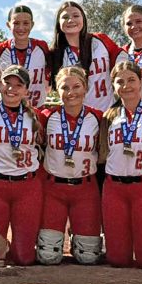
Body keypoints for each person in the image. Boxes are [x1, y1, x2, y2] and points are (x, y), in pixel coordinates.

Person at [98, 61, 142, 269]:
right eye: (120, 81)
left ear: (141, 82)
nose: (126, 86)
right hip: (115, 188)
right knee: (117, 260)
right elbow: (102, 156)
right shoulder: (108, 117)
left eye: (131, 80)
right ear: (113, 85)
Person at [37, 66, 103, 265]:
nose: (71, 92)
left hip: (85, 188)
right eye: (65, 87)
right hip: (53, 187)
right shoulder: (46, 115)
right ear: (57, 90)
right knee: (47, 256)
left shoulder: (99, 117)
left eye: (76, 86)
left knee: (88, 257)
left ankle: (78, 235)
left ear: (85, 88)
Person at [0, 65, 44, 265]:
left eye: (19, 85)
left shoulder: (39, 116)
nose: (12, 89)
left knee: (24, 258)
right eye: (8, 83)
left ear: (26, 90)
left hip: (27, 186)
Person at [49, 1, 128, 112]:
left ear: (83, 19)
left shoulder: (100, 40)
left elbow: (121, 56)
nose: (71, 20)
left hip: (108, 112)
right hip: (77, 117)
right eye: (65, 17)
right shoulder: (54, 53)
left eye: (76, 16)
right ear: (58, 22)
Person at [0, 5, 50, 108]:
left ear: (32, 25)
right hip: (10, 108)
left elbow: (50, 74)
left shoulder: (42, 46)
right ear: (8, 25)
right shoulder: (0, 49)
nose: (21, 28)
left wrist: (45, 89)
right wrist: (3, 89)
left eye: (26, 23)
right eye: (16, 23)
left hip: (37, 108)